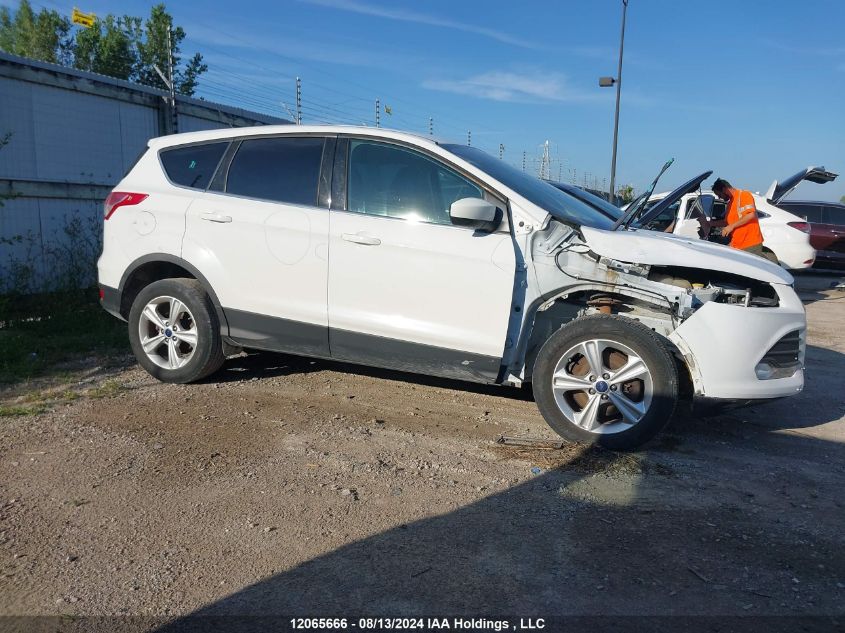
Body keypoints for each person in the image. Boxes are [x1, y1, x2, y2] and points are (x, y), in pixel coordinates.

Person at [712, 178, 768, 258]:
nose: (719, 198)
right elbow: (726, 222)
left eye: (719, 195)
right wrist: (710, 223)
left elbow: (751, 215)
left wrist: (731, 226)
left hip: (750, 244)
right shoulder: (730, 203)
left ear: (724, 189)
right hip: (737, 245)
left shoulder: (744, 195)